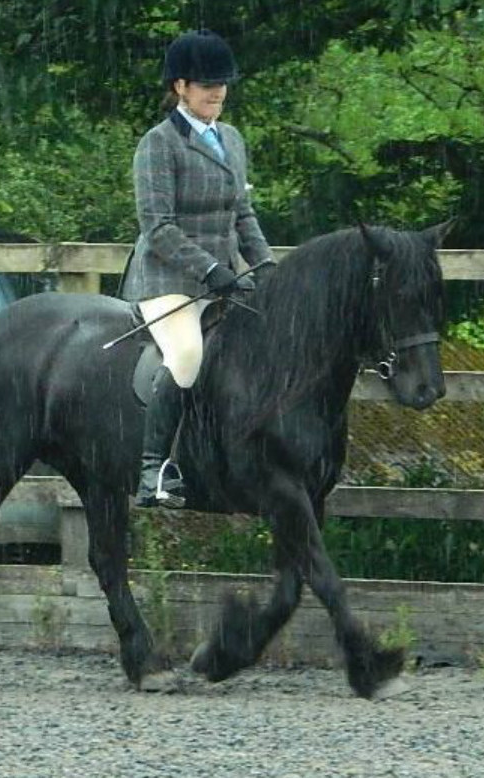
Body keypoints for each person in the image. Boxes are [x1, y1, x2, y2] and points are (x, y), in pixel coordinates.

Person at [121, 29, 274, 508]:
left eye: (223, 83)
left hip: (224, 278)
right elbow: (159, 227)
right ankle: (155, 472)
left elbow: (242, 216)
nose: (218, 92)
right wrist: (210, 270)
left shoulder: (231, 139)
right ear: (181, 87)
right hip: (168, 280)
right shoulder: (158, 144)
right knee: (187, 355)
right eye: (208, 84)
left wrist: (267, 265)